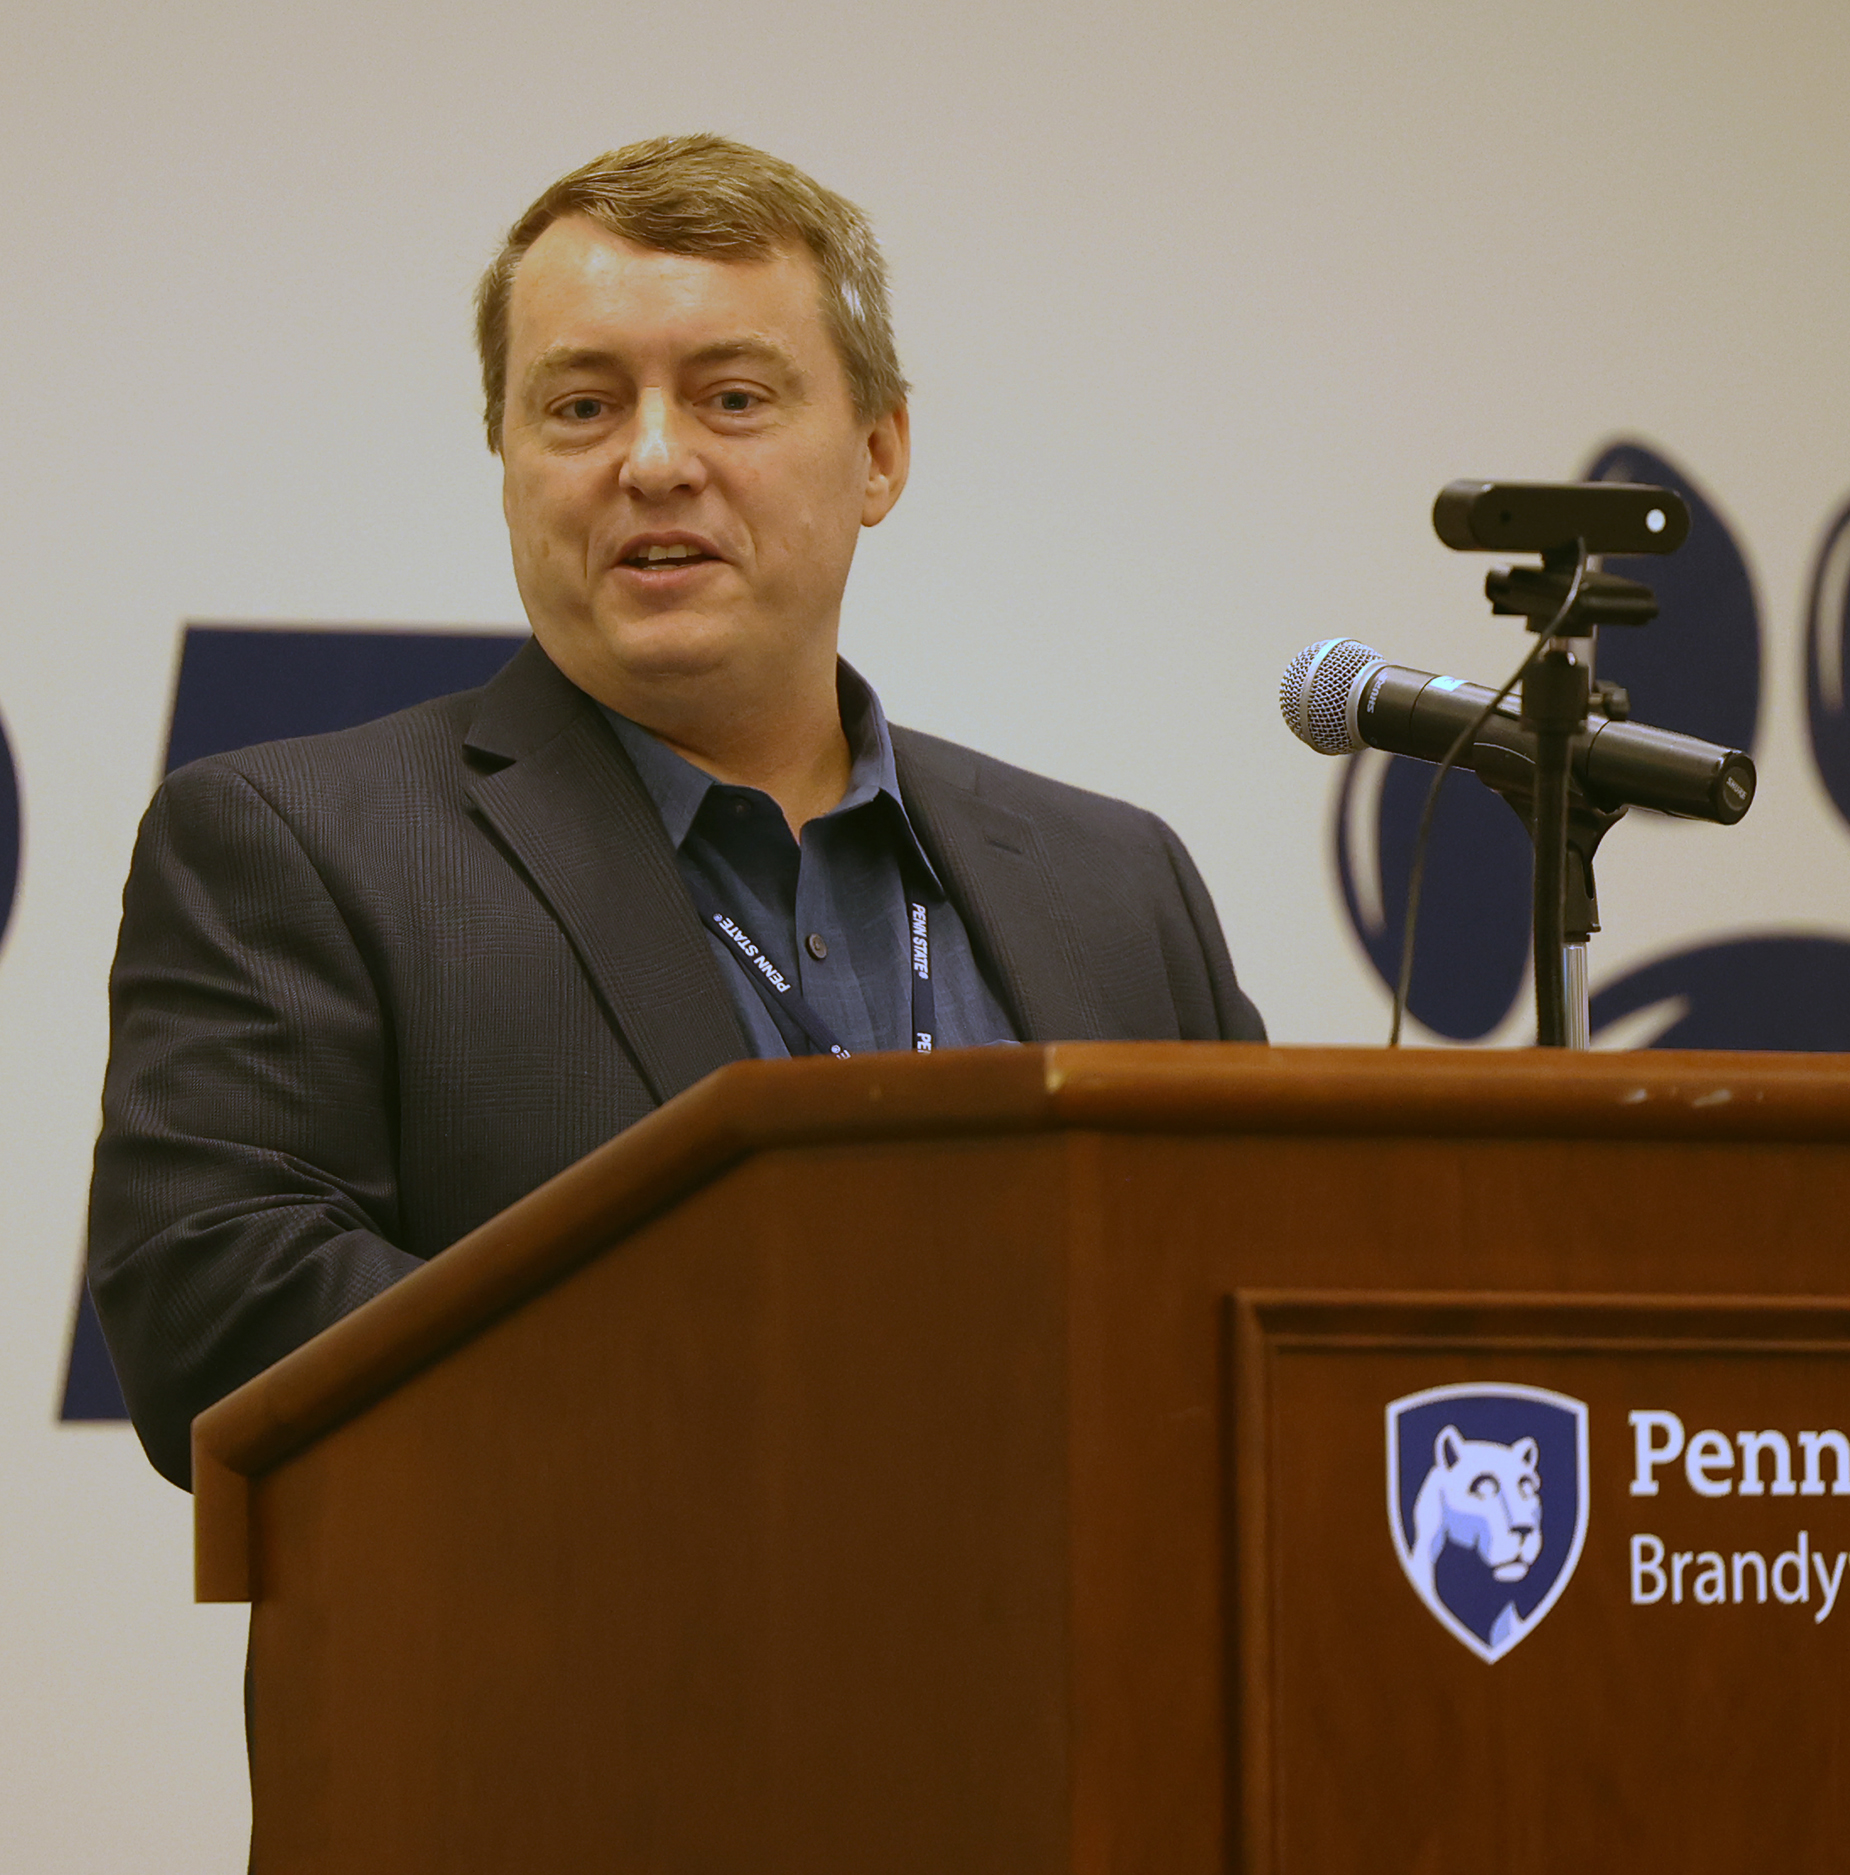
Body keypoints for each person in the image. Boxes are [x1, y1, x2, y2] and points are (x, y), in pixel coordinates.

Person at [88, 134, 1265, 1490]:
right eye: (581, 407)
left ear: (878, 454)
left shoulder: (1116, 883)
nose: (654, 460)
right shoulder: (303, 847)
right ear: (510, 459)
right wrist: (783, 1376)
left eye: (734, 398)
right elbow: (215, 1318)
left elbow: (1255, 1310)